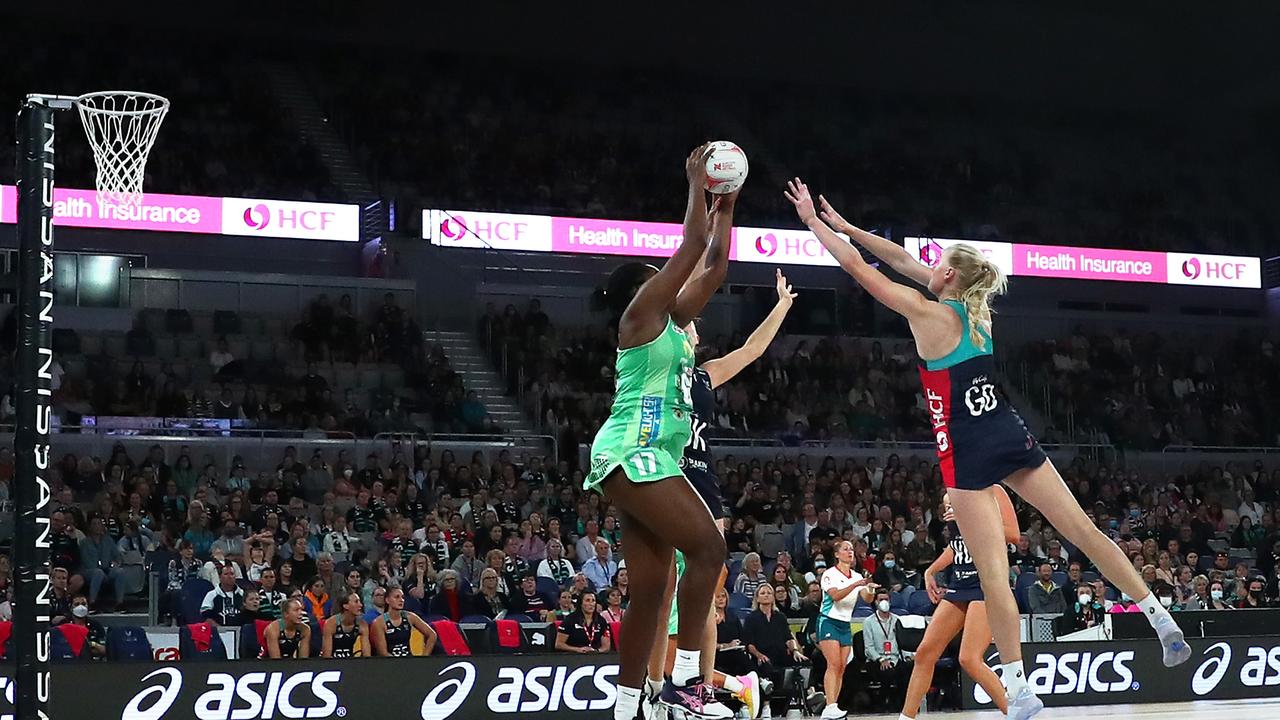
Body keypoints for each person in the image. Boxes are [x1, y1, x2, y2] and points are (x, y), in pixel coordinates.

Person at [786, 180, 1190, 718]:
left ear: (948, 275)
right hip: (1010, 432)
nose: (925, 265)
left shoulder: (929, 316)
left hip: (969, 455)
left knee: (994, 576)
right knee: (1085, 533)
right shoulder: (979, 314)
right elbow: (903, 259)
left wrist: (816, 225)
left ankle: (1020, 690)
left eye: (936, 264)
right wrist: (848, 225)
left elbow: (862, 271)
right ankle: (1161, 619)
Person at [584, 144, 736, 720]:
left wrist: (728, 204)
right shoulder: (641, 317)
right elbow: (693, 249)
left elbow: (715, 264)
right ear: (641, 291)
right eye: (659, 277)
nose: (672, 281)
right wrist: (697, 184)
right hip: (633, 450)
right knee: (710, 548)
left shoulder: (673, 323)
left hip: (650, 459)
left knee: (650, 590)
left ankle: (628, 705)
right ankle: (687, 687)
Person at [900, 489, 1016, 720]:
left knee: (969, 658)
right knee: (924, 653)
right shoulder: (951, 494)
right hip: (960, 582)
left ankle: (1015, 712)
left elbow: (1013, 535)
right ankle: (906, 717)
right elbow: (958, 546)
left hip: (986, 581)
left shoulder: (993, 490)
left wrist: (968, 520)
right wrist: (932, 570)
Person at [816, 540, 878, 719]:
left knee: (842, 666)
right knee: (833, 663)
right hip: (829, 621)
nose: (850, 552)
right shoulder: (830, 574)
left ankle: (833, 705)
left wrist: (870, 589)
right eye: (845, 549)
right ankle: (829, 704)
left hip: (845, 623)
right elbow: (835, 596)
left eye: (851, 549)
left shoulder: (858, 576)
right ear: (837, 554)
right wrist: (855, 585)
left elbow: (866, 599)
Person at [744, 584, 807, 718]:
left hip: (780, 653)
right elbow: (749, 644)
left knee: (804, 663)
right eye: (763, 593)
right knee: (766, 666)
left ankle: (805, 696)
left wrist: (795, 651)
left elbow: (788, 638)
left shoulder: (780, 617)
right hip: (762, 655)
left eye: (769, 593)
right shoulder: (751, 618)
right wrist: (759, 655)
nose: (766, 595)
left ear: (773, 597)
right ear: (757, 598)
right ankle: (766, 706)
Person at [862, 588, 914, 710]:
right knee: (887, 672)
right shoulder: (868, 622)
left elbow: (903, 642)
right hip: (877, 660)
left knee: (909, 669)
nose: (884, 602)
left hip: (895, 658)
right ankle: (884, 705)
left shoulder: (897, 620)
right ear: (875, 602)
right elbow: (869, 648)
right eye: (881, 600)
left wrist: (909, 656)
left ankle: (903, 704)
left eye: (886, 599)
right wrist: (880, 659)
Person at [371, 586, 437, 657]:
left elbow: (432, 635)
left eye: (402, 597)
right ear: (387, 600)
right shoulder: (379, 622)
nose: (401, 600)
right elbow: (383, 653)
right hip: (390, 663)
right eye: (397, 597)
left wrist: (424, 656)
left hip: (408, 661)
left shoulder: (410, 617)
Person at [556, 589, 614, 654]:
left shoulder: (601, 620)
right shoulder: (570, 620)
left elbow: (606, 646)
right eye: (587, 600)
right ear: (581, 603)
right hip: (574, 656)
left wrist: (596, 651)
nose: (591, 604)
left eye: (593, 601)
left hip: (596, 657)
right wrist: (577, 650)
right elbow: (559, 644)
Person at [323, 591, 370, 658]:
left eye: (360, 602)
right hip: (333, 663)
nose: (361, 605)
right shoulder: (330, 624)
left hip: (351, 663)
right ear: (345, 606)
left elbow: (367, 657)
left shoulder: (362, 625)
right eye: (356, 602)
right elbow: (326, 657)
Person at [67, 595, 107, 660]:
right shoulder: (64, 624)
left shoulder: (96, 625)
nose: (81, 607)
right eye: (77, 604)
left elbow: (104, 650)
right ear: (71, 608)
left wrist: (93, 644)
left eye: (83, 604)